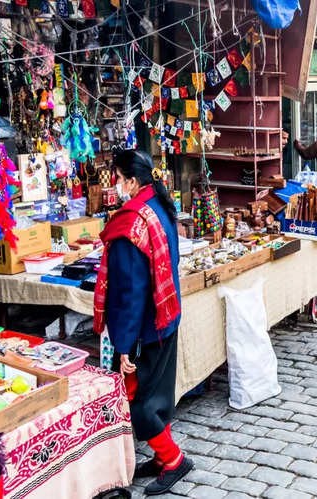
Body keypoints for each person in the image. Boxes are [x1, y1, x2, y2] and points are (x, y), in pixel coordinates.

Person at [94, 150, 192, 495]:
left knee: (139, 402)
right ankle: (163, 456)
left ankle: (175, 459)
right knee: (155, 395)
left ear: (131, 181)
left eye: (118, 178)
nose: (117, 185)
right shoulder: (159, 206)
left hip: (145, 328)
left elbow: (129, 294)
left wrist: (123, 346)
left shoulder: (129, 224)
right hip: (165, 317)